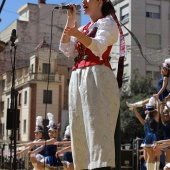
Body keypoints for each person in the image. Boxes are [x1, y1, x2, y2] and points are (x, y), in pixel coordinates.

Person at [59, 0, 124, 169]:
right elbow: (66, 48)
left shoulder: (108, 23)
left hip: (97, 77)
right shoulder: (85, 27)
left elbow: (98, 46)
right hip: (78, 77)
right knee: (78, 125)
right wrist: (70, 20)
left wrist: (77, 34)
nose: (83, 1)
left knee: (97, 125)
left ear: (100, 2)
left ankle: (100, 165)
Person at [133, 97, 161, 170]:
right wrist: (157, 100)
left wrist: (135, 110)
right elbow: (158, 109)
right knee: (154, 156)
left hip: (147, 138)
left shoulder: (147, 118)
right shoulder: (155, 116)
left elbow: (140, 118)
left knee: (148, 157)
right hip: (154, 137)